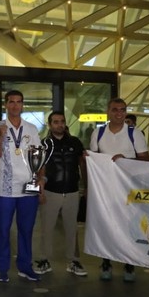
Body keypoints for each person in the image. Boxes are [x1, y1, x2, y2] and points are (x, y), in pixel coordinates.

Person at [88, 97, 149, 282]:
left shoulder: (135, 133)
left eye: (122, 110)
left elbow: (146, 160)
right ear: (108, 111)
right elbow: (93, 159)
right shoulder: (98, 133)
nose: (119, 113)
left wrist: (126, 161)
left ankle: (129, 263)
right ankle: (106, 261)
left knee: (129, 226)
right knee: (106, 224)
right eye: (115, 109)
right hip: (105, 189)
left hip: (129, 189)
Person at [0, 90, 42, 282]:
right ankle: (2, 268)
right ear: (5, 104)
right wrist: (1, 137)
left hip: (28, 186)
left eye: (18, 102)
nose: (15, 105)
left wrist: (40, 179)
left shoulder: (31, 128)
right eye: (11, 102)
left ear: (22, 105)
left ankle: (25, 266)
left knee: (26, 229)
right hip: (4, 188)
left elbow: (38, 156)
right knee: (3, 229)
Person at [34, 111, 87, 277]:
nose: (60, 124)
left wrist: (87, 186)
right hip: (50, 192)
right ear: (50, 125)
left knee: (72, 229)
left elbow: (83, 165)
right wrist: (39, 191)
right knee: (47, 229)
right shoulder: (44, 143)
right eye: (56, 122)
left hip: (72, 192)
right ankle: (44, 260)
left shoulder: (75, 142)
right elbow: (38, 168)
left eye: (62, 121)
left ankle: (74, 261)